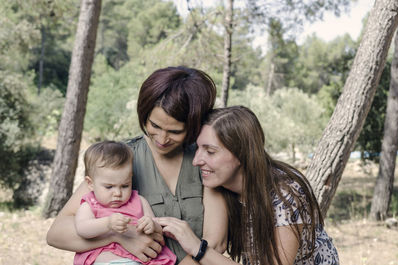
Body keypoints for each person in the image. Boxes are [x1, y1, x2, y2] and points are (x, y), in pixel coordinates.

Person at [46, 66, 228, 265]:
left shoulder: (205, 160)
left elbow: (216, 242)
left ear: (194, 125)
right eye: (154, 126)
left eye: (175, 131)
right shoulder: (120, 158)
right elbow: (57, 233)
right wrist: (117, 237)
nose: (162, 139)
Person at [157, 106, 340, 265]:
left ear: (241, 154)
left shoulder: (286, 194)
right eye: (198, 149)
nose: (196, 161)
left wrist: (198, 247)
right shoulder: (223, 187)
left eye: (210, 152)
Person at [74, 140, 176, 265]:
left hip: (140, 260)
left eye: (125, 186)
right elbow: (82, 229)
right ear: (90, 183)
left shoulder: (139, 201)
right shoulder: (90, 204)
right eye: (109, 187)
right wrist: (108, 223)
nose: (117, 193)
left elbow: (157, 228)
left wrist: (151, 225)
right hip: (108, 260)